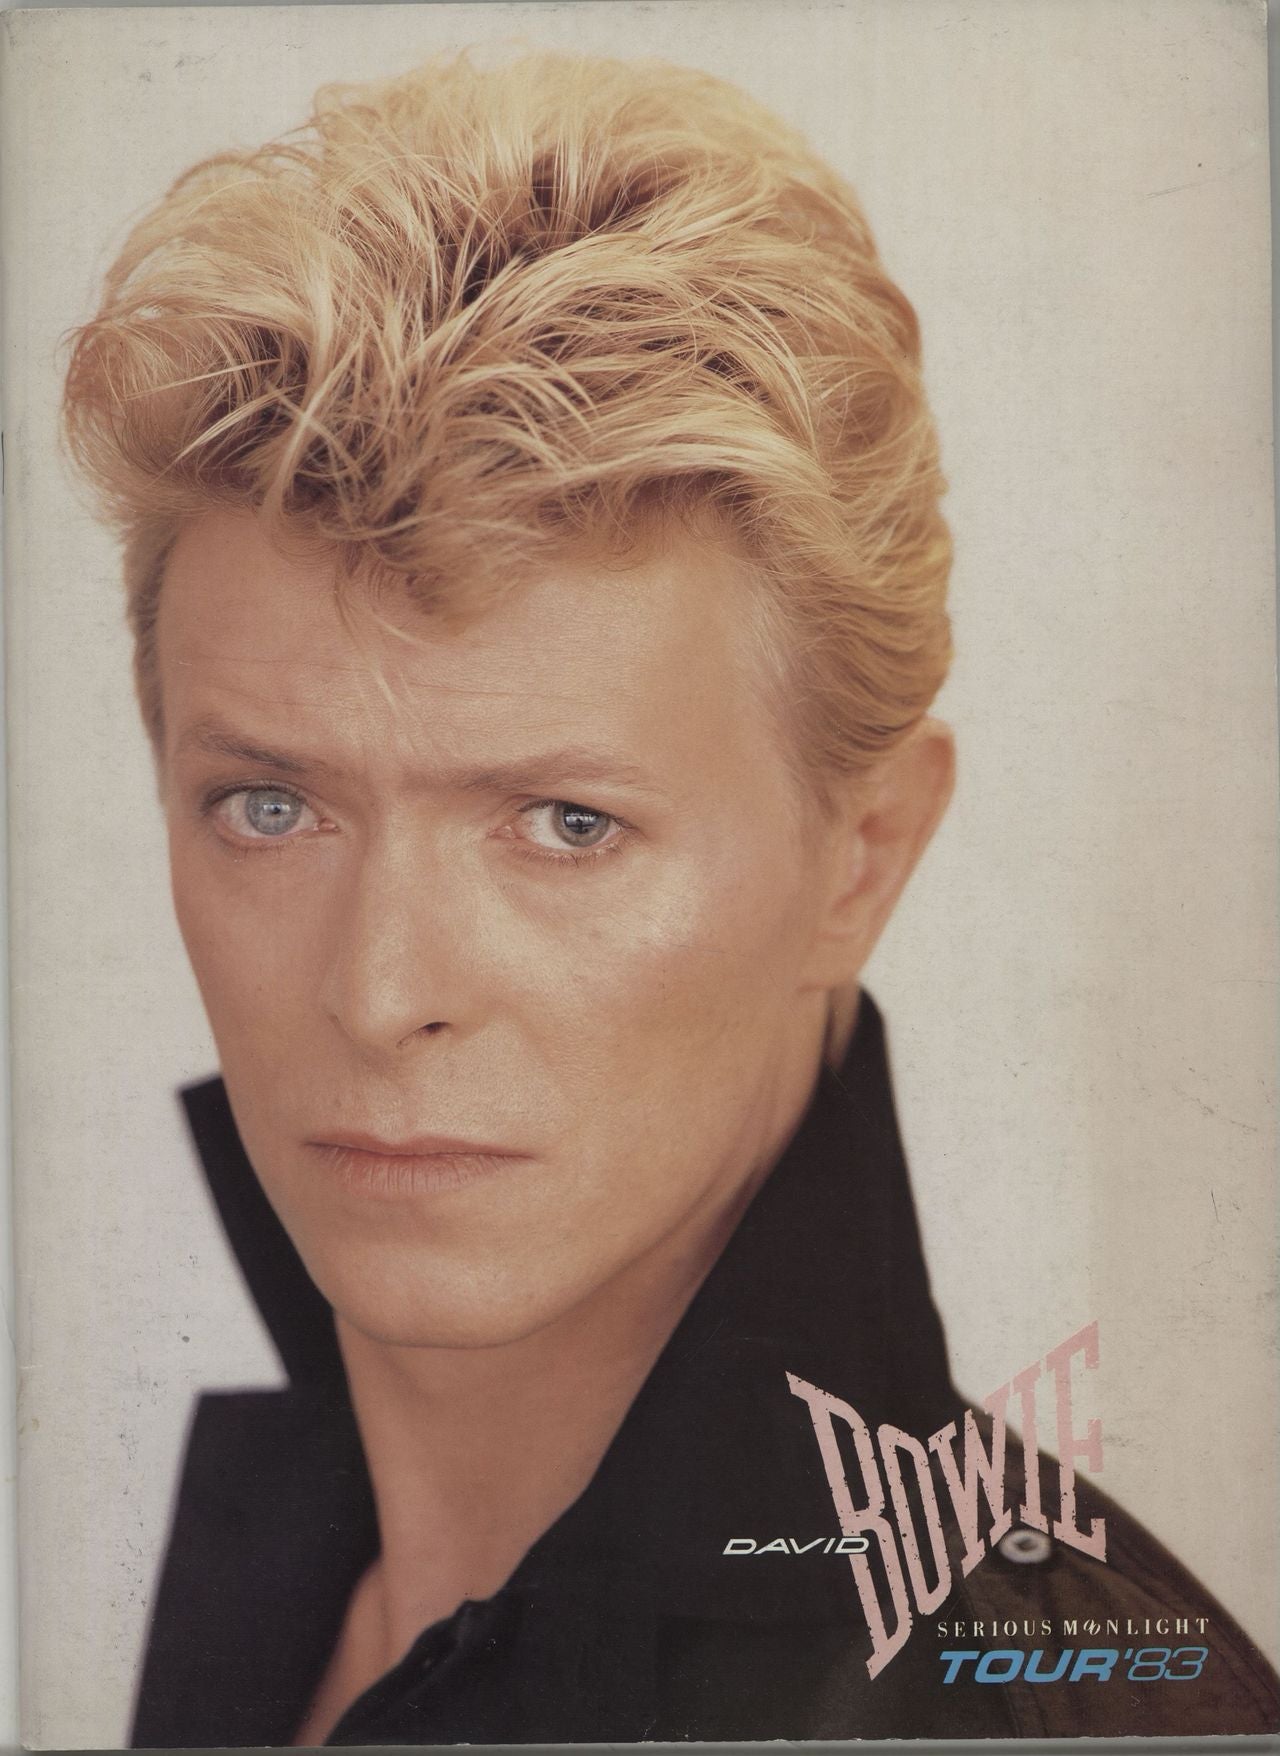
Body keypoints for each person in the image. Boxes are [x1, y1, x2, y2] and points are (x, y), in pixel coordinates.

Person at [61, 50, 1278, 1746]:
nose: (379, 991)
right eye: (270, 806)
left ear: (862, 857)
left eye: (566, 824)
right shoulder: (281, 1543)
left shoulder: (1033, 1709)